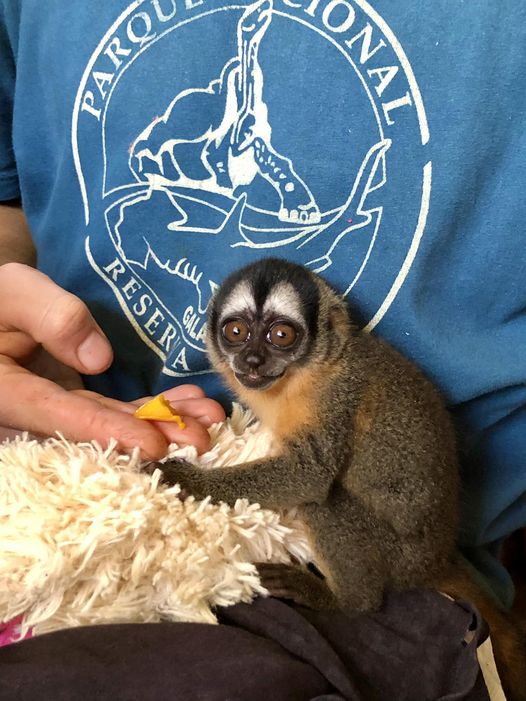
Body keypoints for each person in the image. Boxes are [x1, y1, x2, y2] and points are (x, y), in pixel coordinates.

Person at [0, 0, 525, 696]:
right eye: (237, 337)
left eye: (278, 336)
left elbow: (307, 479)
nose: (251, 359)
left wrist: (197, 485)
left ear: (326, 333)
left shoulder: (333, 382)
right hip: (76, 496)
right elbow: (11, 200)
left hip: (394, 586)